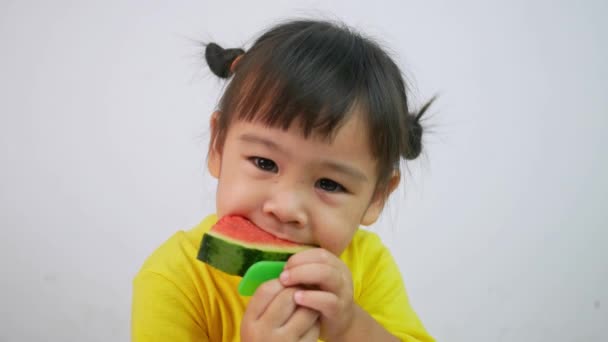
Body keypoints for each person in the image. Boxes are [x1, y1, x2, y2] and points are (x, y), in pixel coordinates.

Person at [132, 18, 435, 342]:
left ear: (376, 197)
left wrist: (350, 327)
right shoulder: (175, 277)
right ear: (218, 146)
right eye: (264, 163)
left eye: (329, 184)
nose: (286, 207)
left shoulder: (368, 265)